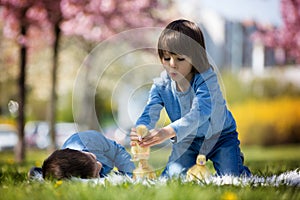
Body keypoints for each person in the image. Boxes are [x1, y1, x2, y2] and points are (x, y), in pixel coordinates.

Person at [130, 19, 251, 178]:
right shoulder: (161, 86)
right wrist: (141, 130)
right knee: (172, 177)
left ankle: (235, 161)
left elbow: (200, 113)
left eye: (180, 59)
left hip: (220, 137)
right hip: (187, 141)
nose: (172, 64)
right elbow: (150, 111)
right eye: (167, 58)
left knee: (232, 177)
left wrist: (167, 132)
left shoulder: (207, 80)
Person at [29, 130, 135, 180]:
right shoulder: (72, 162)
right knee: (62, 175)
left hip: (94, 144)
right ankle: (40, 173)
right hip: (73, 163)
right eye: (97, 173)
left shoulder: (96, 142)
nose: (100, 165)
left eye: (95, 160)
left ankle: (40, 173)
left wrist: (129, 174)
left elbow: (119, 152)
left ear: (86, 153)